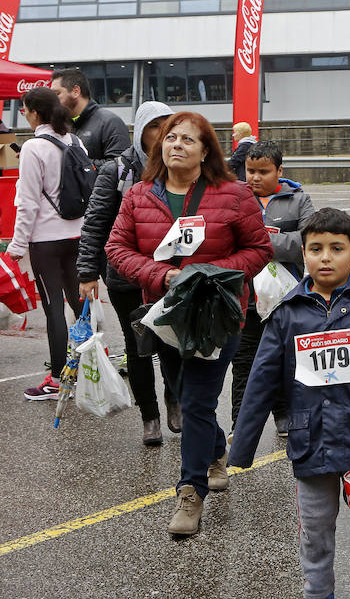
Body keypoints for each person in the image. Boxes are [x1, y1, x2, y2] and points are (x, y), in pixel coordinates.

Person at [229, 207, 350, 598]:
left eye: (336, 248)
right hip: (309, 443)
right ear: (303, 254)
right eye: (315, 249)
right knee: (315, 534)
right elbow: (260, 381)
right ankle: (318, 592)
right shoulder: (286, 314)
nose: (325, 257)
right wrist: (242, 447)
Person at [105, 112, 272, 535]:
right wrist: (160, 275)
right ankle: (215, 450)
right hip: (164, 319)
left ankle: (190, 492)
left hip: (218, 318)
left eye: (188, 140)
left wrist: (210, 275)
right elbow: (116, 247)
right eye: (170, 138)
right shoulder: (139, 196)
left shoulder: (233, 195)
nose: (177, 145)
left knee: (196, 401)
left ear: (205, 151)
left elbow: (259, 249)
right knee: (181, 393)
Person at [76, 101, 178, 446]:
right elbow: (95, 225)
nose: (163, 135)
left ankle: (174, 400)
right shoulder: (117, 171)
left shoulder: (181, 167)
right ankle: (149, 416)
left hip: (169, 274)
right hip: (126, 275)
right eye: (155, 127)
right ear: (141, 131)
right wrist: (88, 272)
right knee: (138, 346)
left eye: (170, 127)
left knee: (171, 341)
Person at [229, 140, 314, 440]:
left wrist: (257, 243)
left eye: (263, 172)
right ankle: (238, 425)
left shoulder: (299, 200)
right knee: (242, 363)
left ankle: (284, 414)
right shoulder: (235, 198)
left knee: (285, 359)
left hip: (286, 298)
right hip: (244, 297)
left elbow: (304, 245)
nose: (254, 178)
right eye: (250, 171)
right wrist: (272, 244)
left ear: (279, 170)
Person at [5, 87, 85, 400]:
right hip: (78, 233)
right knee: (81, 306)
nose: (23, 114)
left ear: (36, 113)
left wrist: (16, 246)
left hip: (46, 241)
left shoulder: (33, 148)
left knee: (54, 308)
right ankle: (89, 367)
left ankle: (56, 378)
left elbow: (27, 205)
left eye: (25, 109)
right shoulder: (74, 140)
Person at [50, 69, 130, 169]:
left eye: (56, 93)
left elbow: (120, 166)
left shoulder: (110, 122)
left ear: (76, 91)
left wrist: (75, 163)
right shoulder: (61, 125)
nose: (52, 99)